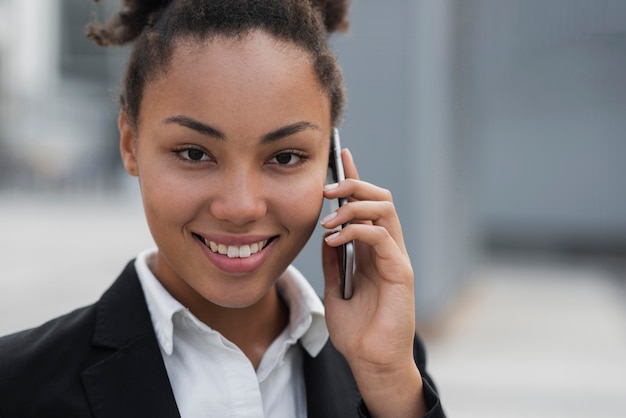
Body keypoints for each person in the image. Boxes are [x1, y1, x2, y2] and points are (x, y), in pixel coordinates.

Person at [0, 0, 445, 416]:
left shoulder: (383, 363)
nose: (240, 207)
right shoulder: (18, 385)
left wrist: (389, 386)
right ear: (130, 144)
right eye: (194, 154)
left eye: (285, 157)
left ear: (331, 159)